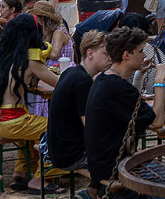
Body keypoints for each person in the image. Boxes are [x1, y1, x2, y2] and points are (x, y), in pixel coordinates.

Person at [75, 26, 165, 199]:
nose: (144, 56)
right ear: (126, 55)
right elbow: (158, 121)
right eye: (140, 51)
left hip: (100, 162)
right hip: (114, 167)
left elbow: (131, 104)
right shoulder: (117, 87)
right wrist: (159, 81)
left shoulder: (104, 79)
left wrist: (139, 75)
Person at [0, 13, 62, 193]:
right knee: (57, 129)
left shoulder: (1, 57)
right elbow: (59, 84)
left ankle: (21, 171)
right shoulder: (30, 61)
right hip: (14, 121)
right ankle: (41, 178)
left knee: (32, 128)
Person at [46, 31, 114, 171]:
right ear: (90, 54)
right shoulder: (83, 82)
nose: (110, 58)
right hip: (72, 156)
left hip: (58, 152)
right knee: (124, 158)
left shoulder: (70, 72)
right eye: (106, 54)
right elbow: (91, 127)